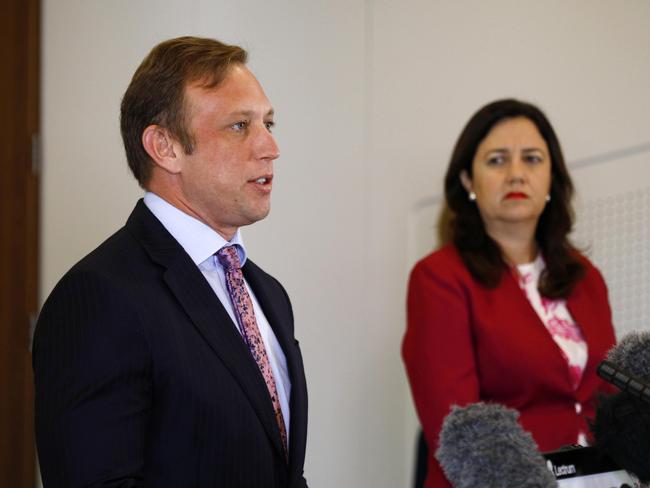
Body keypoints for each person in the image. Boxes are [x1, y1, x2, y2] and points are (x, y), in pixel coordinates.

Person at [33, 36, 308, 488]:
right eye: (239, 126)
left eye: (269, 123)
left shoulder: (268, 294)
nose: (269, 147)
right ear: (164, 147)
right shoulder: (99, 297)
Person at [402, 99, 616, 488]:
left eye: (532, 159)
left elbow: (614, 399)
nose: (516, 174)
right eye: (497, 161)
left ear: (552, 177)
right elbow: (460, 428)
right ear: (468, 181)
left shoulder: (586, 278)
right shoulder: (438, 278)